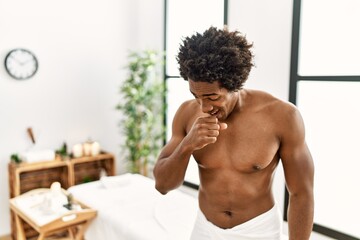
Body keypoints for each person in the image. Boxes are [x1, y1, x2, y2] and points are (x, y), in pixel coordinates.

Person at [153, 26, 314, 240]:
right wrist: (187, 145)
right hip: (205, 228)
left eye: (212, 97)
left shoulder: (282, 116)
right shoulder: (186, 114)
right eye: (196, 96)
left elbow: (301, 194)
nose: (203, 107)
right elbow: (162, 186)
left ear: (234, 85)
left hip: (259, 230)